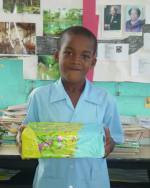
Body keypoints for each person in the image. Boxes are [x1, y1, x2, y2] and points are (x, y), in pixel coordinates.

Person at [19, 26, 124, 188]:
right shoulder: (39, 97)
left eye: (85, 55)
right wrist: (22, 140)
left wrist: (110, 146)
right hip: (50, 182)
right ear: (56, 55)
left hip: (92, 182)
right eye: (68, 53)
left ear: (93, 61)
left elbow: (114, 138)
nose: (76, 60)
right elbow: (28, 134)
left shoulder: (106, 100)